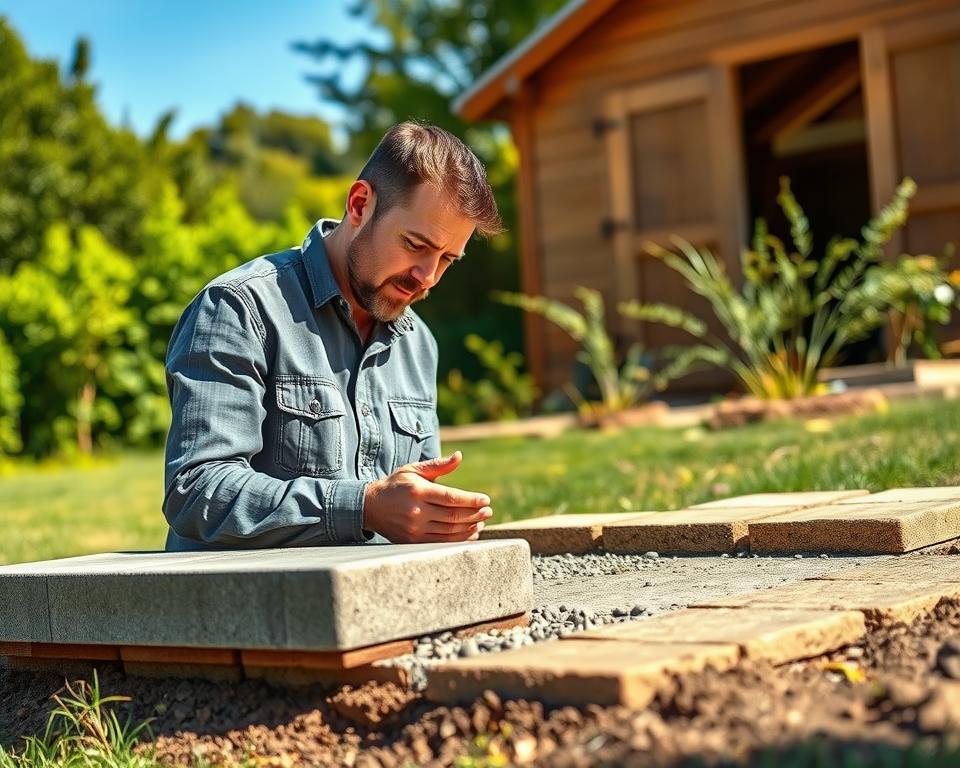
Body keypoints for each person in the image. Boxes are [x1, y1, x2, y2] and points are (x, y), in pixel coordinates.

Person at [162, 121, 503, 550]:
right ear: (360, 204)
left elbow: (412, 506)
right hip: (242, 608)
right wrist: (362, 507)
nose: (427, 278)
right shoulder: (239, 308)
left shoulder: (419, 344)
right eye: (416, 244)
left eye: (447, 259)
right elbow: (196, 491)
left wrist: (434, 519)